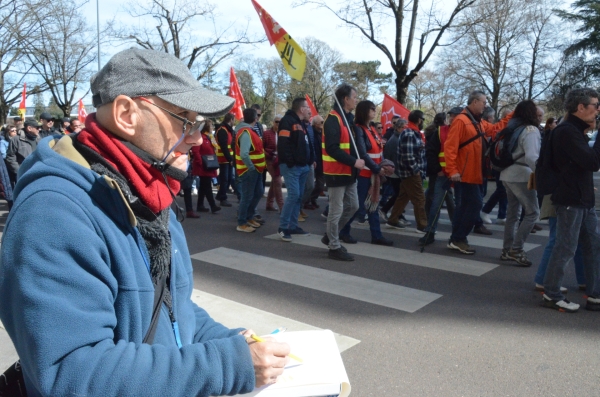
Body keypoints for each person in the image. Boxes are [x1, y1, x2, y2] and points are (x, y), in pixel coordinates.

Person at [0, 48, 290, 396]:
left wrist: (232, 343)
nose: (198, 138)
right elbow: (74, 372)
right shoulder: (52, 212)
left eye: (200, 124)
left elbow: (174, 308)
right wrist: (229, 363)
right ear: (126, 113)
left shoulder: (146, 189)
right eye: (185, 119)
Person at [542, 88, 600, 312]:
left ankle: (594, 294)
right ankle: (552, 293)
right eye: (595, 105)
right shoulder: (567, 131)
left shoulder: (575, 130)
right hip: (570, 199)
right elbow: (592, 162)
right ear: (581, 107)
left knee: (593, 246)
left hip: (582, 199)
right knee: (565, 247)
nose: (598, 110)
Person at [444, 91, 512, 254]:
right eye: (483, 102)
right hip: (465, 173)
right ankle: (459, 238)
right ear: (474, 102)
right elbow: (450, 147)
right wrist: (452, 170)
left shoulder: (476, 121)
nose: (485, 105)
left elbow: (495, 128)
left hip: (473, 172)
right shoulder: (462, 121)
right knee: (474, 205)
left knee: (465, 206)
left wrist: (513, 115)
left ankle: (457, 239)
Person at [339, 100, 394, 246]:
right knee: (356, 206)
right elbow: (363, 153)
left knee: (373, 205)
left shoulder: (371, 128)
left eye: (375, 109)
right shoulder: (359, 129)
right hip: (364, 174)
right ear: (364, 111)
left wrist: (381, 166)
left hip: (373, 173)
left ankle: (376, 235)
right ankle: (342, 232)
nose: (375, 111)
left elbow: (376, 150)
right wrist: (377, 169)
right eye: (372, 109)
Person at [321, 83, 364, 261]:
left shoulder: (348, 118)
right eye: (354, 97)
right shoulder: (333, 119)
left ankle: (331, 235)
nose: (356, 100)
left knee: (353, 206)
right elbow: (332, 148)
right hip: (337, 172)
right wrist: (354, 161)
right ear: (345, 99)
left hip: (349, 173)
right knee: (336, 211)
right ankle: (334, 246)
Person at [497, 100, 541, 266]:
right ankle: (517, 249)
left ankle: (507, 249)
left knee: (512, 213)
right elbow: (531, 157)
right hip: (522, 175)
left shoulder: (511, 127)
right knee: (532, 213)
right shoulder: (530, 130)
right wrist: (540, 172)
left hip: (506, 173)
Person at [419, 108, 461, 246]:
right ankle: (430, 232)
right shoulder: (440, 131)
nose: (452, 119)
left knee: (457, 205)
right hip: (444, 175)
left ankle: (458, 234)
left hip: (460, 175)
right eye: (451, 116)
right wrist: (437, 170)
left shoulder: (465, 131)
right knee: (436, 204)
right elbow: (431, 152)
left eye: (456, 116)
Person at [386, 110, 428, 233]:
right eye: (423, 120)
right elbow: (408, 156)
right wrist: (416, 171)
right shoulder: (410, 133)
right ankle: (423, 225)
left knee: (403, 197)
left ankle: (393, 219)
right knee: (420, 199)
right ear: (419, 120)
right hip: (411, 173)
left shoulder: (412, 132)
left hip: (408, 172)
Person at [277, 98, 312, 241]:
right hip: (292, 166)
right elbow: (283, 144)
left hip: (303, 166)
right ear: (301, 109)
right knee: (293, 195)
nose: (309, 109)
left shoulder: (301, 123)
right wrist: (291, 162)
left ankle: (293, 225)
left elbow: (306, 143)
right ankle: (283, 227)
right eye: (307, 107)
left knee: (298, 196)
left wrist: (309, 161)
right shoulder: (288, 121)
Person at [235, 108, 266, 232]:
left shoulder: (248, 131)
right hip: (249, 171)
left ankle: (249, 217)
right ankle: (242, 222)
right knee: (247, 196)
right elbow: (244, 154)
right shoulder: (246, 132)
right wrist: (251, 167)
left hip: (255, 170)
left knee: (257, 193)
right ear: (255, 119)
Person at [379, 119, 407, 221]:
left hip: (395, 171)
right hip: (395, 172)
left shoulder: (397, 138)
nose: (406, 129)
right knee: (399, 195)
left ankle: (396, 213)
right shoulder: (395, 140)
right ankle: (387, 211)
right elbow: (396, 159)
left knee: (399, 194)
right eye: (404, 127)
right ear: (399, 128)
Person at [191, 120, 221, 214]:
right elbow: (196, 151)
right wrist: (200, 163)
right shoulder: (200, 137)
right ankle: (213, 205)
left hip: (208, 166)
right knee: (207, 186)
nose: (212, 127)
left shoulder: (209, 137)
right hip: (203, 166)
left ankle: (200, 205)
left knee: (204, 187)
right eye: (211, 126)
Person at [263, 115, 284, 212]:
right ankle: (282, 207)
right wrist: (269, 154)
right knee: (278, 181)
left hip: (280, 161)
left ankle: (269, 204)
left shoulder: (283, 134)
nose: (278, 124)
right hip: (270, 160)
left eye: (280, 122)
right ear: (273, 122)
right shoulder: (266, 133)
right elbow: (261, 149)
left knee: (274, 182)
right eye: (277, 122)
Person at [214, 113, 236, 207]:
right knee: (225, 179)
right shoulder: (223, 130)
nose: (234, 122)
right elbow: (224, 146)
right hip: (224, 158)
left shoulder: (227, 129)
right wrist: (230, 158)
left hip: (227, 158)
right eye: (234, 120)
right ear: (231, 120)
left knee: (229, 178)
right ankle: (222, 198)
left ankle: (220, 195)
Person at [308, 115, 325, 208]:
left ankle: (313, 198)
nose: (323, 124)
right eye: (321, 122)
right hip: (314, 161)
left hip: (322, 162)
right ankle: (307, 201)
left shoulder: (322, 133)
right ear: (315, 124)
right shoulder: (311, 133)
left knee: (320, 185)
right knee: (310, 184)